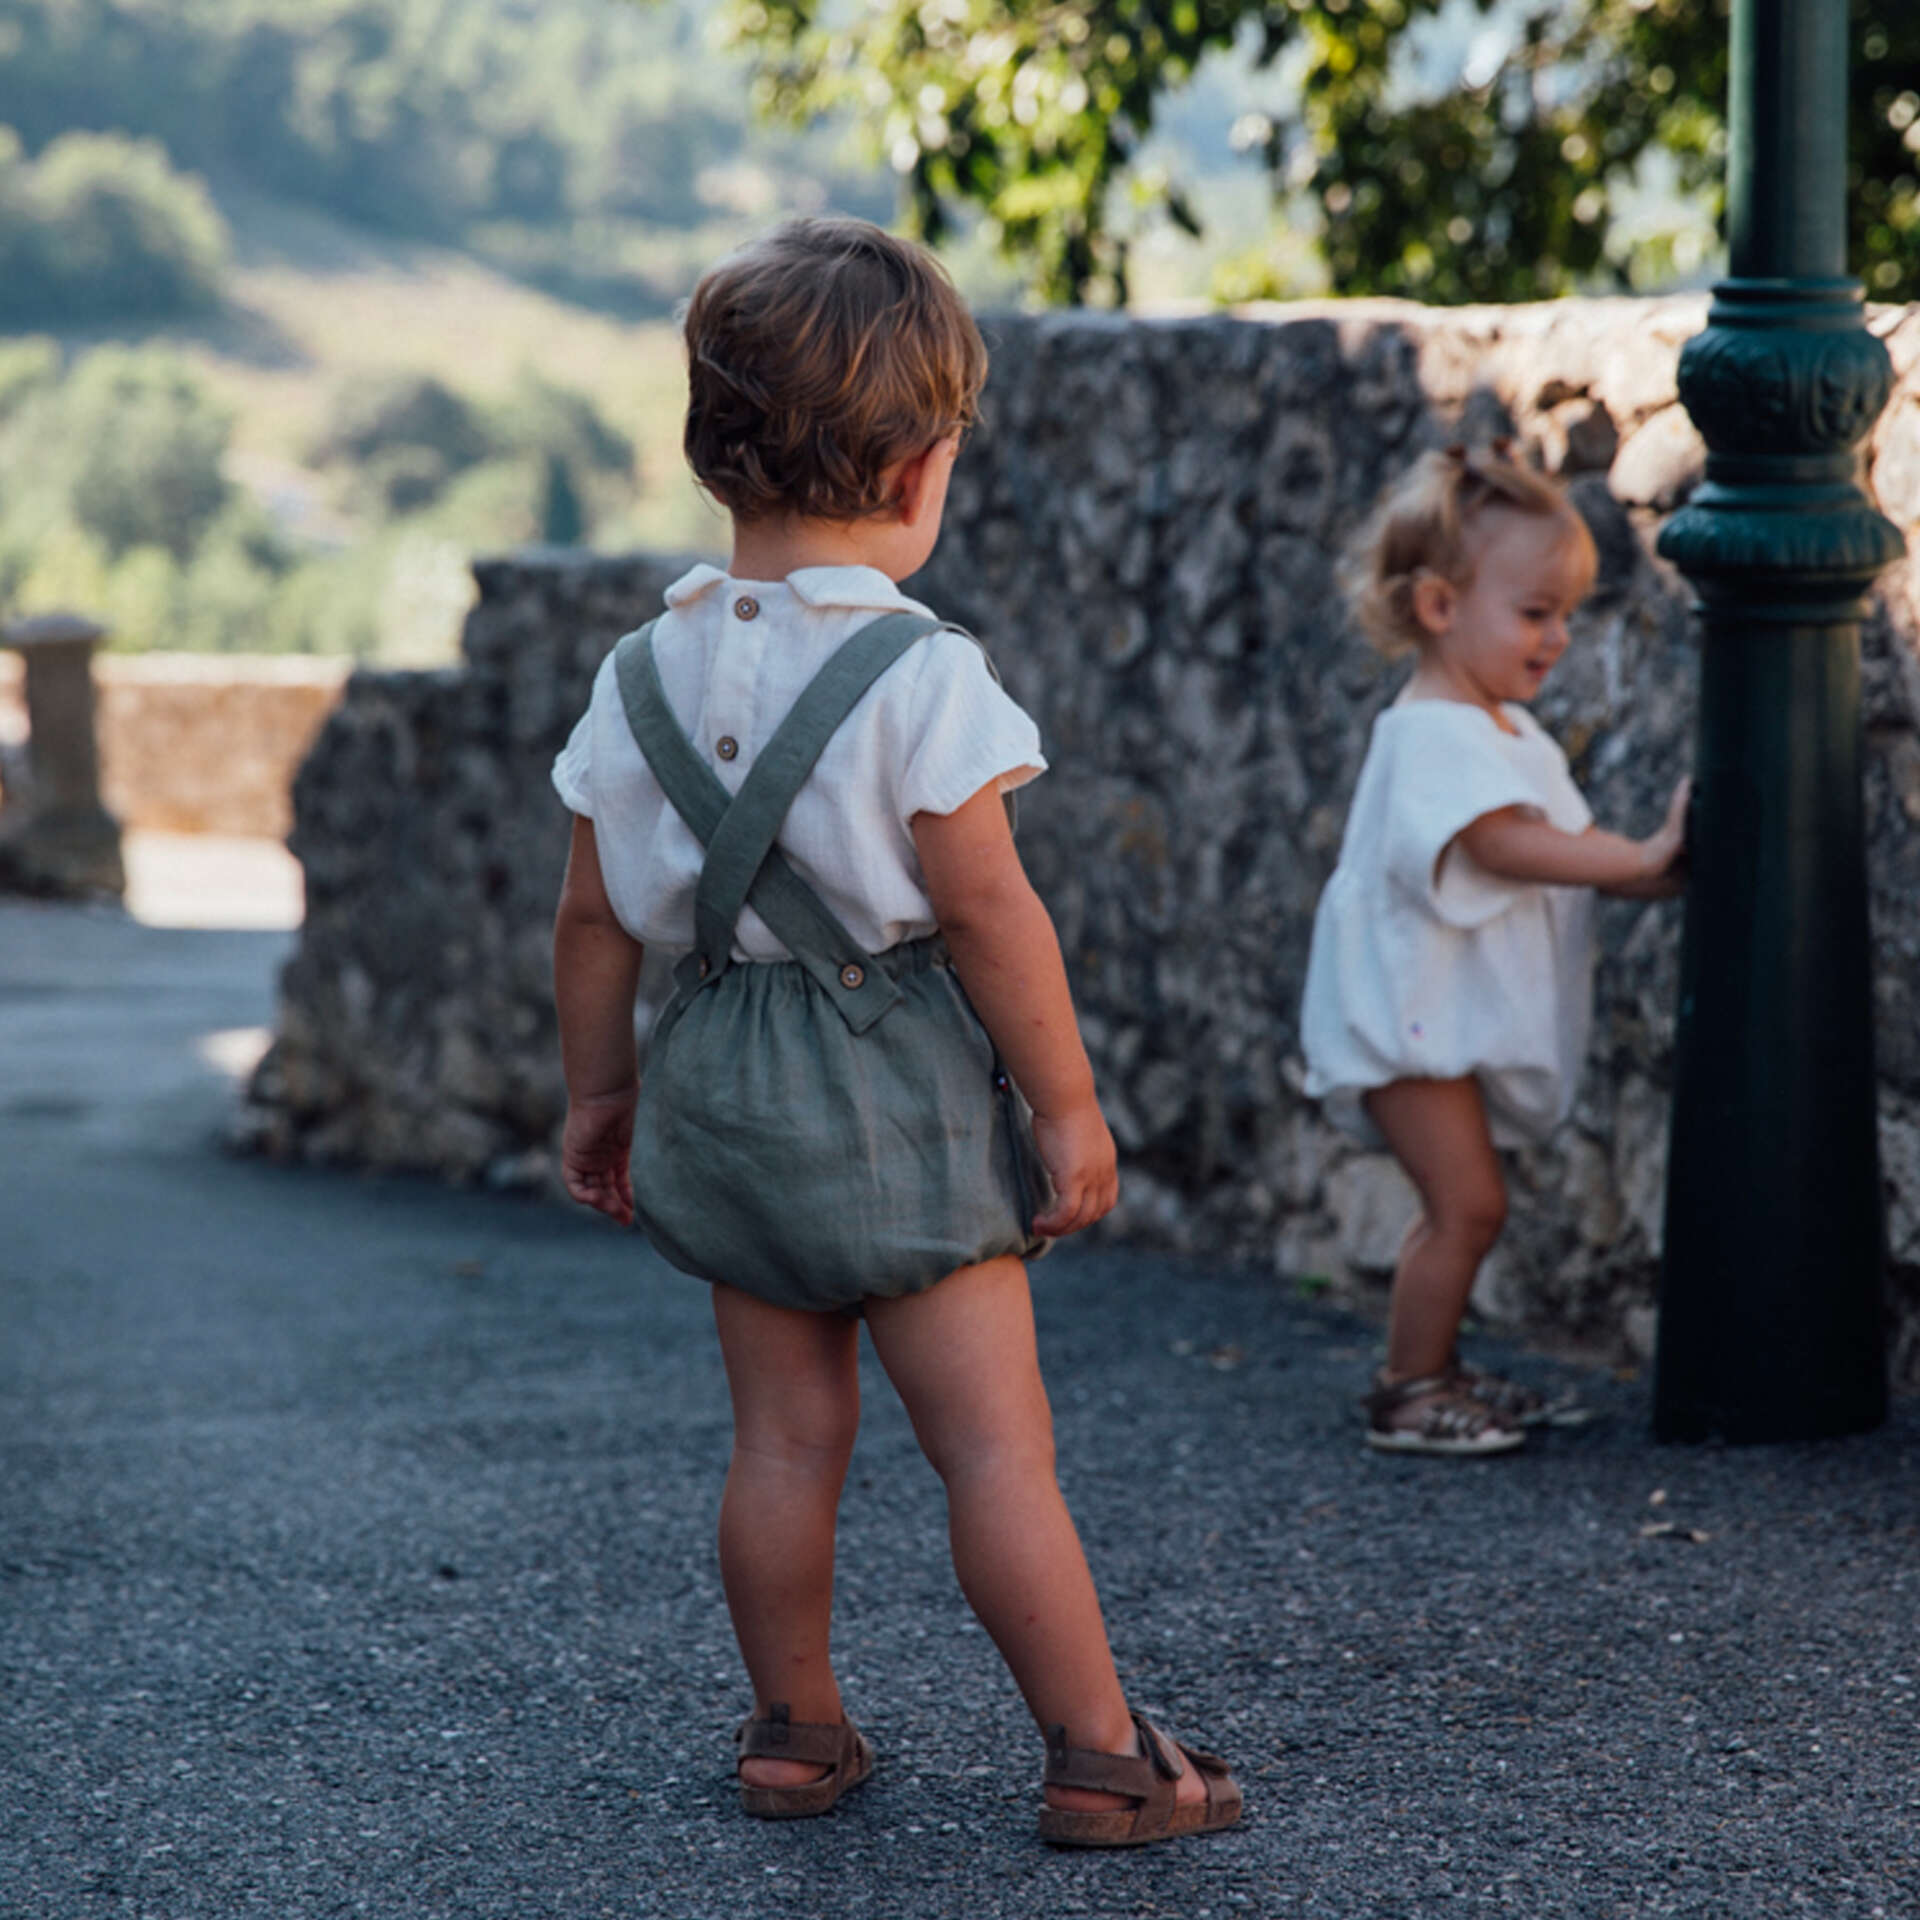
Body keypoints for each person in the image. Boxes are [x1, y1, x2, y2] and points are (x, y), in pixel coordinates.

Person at [549, 217, 1240, 1845]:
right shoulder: (922, 675)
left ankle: (794, 1731)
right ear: (924, 471)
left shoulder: (637, 675)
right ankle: (1098, 1754)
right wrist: (1067, 1112)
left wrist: (601, 1097)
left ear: (713, 451)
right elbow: (994, 916)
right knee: (996, 1454)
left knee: (784, 1442)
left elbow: (591, 920)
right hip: (902, 1101)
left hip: (719, 1077)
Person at [1300, 442, 1688, 1457]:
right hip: (1405, 1028)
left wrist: (1650, 867)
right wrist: (1642, 856)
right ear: (1437, 607)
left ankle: (1437, 1369)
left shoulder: (1495, 727)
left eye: (1566, 613)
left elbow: (1556, 850)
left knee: (1469, 1204)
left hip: (1433, 1021)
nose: (1558, 637)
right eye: (1534, 613)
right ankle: (1409, 1388)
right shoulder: (1432, 732)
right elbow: (1503, 842)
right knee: (1467, 1206)